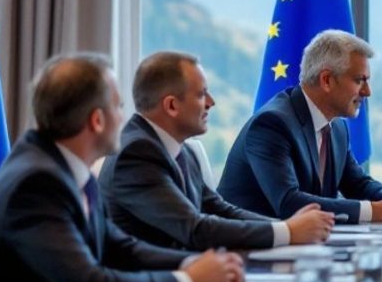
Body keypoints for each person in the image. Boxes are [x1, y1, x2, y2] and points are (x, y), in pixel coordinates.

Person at [0, 53, 244, 282]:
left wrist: (192, 263)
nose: (124, 118)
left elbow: (119, 247)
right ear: (97, 120)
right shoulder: (34, 183)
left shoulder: (64, 166)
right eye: (118, 107)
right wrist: (188, 281)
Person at [99, 51, 335, 251]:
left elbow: (220, 210)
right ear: (171, 105)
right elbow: (195, 228)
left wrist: (287, 227)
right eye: (202, 94)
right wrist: (287, 232)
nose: (211, 102)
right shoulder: (137, 154)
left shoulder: (181, 149)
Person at [218, 30, 382, 222]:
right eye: (359, 80)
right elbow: (289, 203)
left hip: (302, 248)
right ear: (326, 80)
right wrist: (376, 210)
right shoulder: (272, 124)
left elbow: (357, 184)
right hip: (245, 253)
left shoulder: (337, 128)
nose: (367, 92)